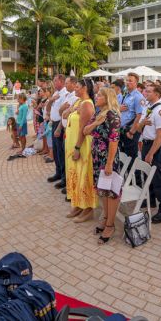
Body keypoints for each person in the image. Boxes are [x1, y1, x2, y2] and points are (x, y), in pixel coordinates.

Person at [83, 87, 121, 244]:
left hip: (108, 159)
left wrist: (109, 163)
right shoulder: (98, 113)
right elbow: (85, 131)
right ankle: (106, 218)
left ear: (107, 98)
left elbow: (114, 140)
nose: (96, 97)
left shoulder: (113, 116)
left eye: (99, 95)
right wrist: (96, 122)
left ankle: (111, 225)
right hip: (97, 157)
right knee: (102, 191)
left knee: (111, 192)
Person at [65, 78, 97, 223]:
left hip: (82, 145)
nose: (75, 89)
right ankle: (78, 204)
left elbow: (83, 131)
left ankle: (88, 209)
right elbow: (65, 114)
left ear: (85, 88)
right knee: (76, 175)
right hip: (72, 144)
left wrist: (77, 148)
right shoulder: (78, 102)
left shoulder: (87, 105)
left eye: (77, 87)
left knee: (84, 176)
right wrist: (72, 109)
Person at [138, 83, 161, 223]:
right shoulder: (148, 108)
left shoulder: (160, 110)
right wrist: (142, 124)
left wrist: (151, 153)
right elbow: (139, 128)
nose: (146, 93)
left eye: (149, 91)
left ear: (157, 94)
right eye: (146, 91)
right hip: (146, 143)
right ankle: (151, 201)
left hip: (155, 146)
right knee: (148, 175)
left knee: (159, 178)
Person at [119, 73, 145, 170]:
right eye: (127, 80)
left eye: (130, 81)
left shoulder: (138, 97)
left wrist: (131, 132)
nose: (127, 82)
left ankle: (135, 181)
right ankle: (125, 180)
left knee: (131, 158)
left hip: (130, 131)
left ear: (136, 83)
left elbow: (140, 116)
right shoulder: (126, 94)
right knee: (123, 158)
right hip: (123, 129)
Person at [46, 74, 67, 186]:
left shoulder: (64, 94)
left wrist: (59, 128)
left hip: (60, 125)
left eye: (55, 81)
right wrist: (51, 100)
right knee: (55, 150)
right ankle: (58, 172)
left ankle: (64, 177)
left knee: (60, 152)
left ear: (61, 81)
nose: (54, 83)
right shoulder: (55, 93)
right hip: (53, 123)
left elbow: (63, 113)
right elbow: (48, 108)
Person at [12, 94, 28, 158]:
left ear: (22, 99)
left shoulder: (25, 106)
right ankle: (22, 148)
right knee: (20, 136)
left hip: (22, 123)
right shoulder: (21, 105)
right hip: (19, 123)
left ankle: (23, 149)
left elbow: (24, 117)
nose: (17, 100)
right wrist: (17, 111)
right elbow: (19, 113)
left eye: (18, 99)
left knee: (22, 136)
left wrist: (21, 125)